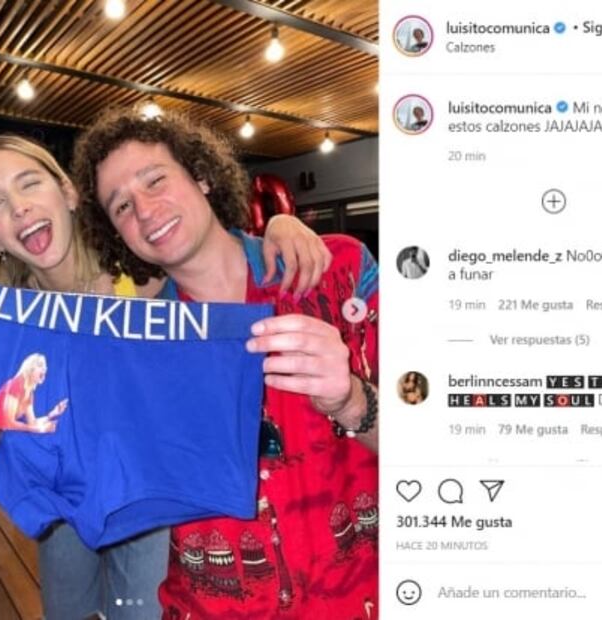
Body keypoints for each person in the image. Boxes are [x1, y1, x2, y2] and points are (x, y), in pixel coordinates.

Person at [0, 133, 332, 619]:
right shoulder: (4, 322)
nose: (19, 207)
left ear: (68, 193)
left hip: (149, 496)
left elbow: (212, 253)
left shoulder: (141, 278)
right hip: (63, 498)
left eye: (29, 183)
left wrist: (280, 226)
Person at [72, 108, 379, 618]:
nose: (144, 210)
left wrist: (352, 400)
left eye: (155, 180)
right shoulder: (143, 353)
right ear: (117, 234)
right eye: (121, 205)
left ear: (201, 176)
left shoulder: (337, 273)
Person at [0, 352, 67, 472]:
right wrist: (39, 429)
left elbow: (32, 422)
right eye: (41, 365)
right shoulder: (16, 384)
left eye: (45, 366)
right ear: (31, 368)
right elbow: (9, 422)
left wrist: (51, 414)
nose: (45, 368)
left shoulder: (29, 394)